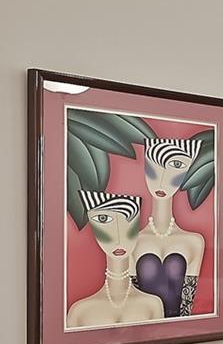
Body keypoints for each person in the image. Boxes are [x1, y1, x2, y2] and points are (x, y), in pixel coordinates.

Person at [66, 191, 165, 328]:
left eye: (128, 220)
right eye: (103, 219)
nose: (119, 237)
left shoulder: (153, 304)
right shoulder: (79, 312)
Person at [134, 136, 208, 317]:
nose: (162, 179)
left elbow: (187, 305)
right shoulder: (133, 241)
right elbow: (133, 300)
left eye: (176, 165)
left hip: (178, 328)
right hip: (141, 327)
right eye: (154, 167)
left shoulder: (194, 242)